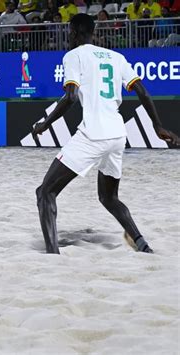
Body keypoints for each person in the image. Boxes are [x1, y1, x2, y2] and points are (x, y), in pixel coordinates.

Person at [32, 13, 179, 255]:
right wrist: (157, 125)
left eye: (70, 31)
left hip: (92, 135)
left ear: (75, 33)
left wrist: (46, 123)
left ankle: (52, 255)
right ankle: (141, 243)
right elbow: (142, 90)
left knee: (45, 191)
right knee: (109, 197)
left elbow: (70, 97)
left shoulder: (74, 56)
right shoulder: (116, 57)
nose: (68, 36)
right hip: (117, 136)